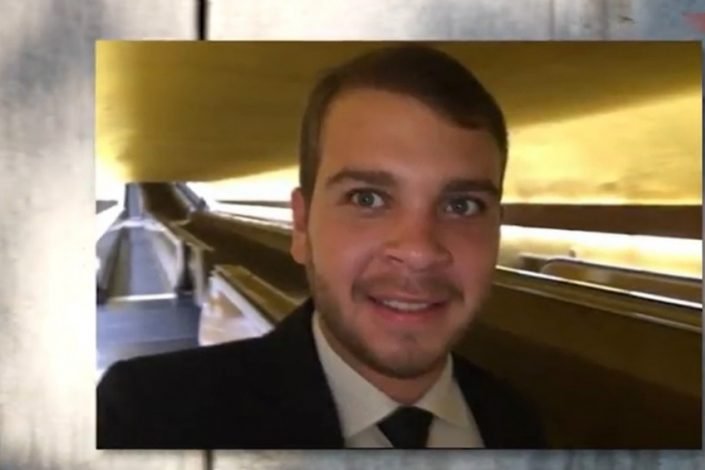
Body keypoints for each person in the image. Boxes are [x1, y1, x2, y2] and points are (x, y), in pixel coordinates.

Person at [97, 44, 546, 449]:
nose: (419, 251)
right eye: (367, 199)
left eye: (462, 205)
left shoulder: (517, 420)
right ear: (301, 227)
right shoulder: (146, 417)